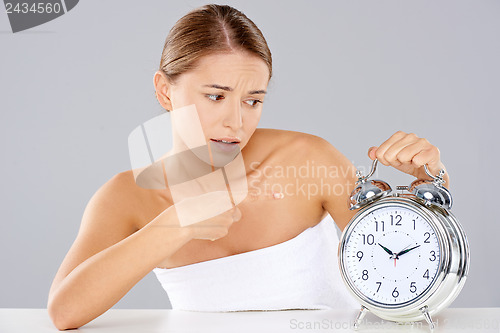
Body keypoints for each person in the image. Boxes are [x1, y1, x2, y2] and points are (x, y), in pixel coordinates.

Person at [47, 4, 450, 330]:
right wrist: (176, 225)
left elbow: (410, 279)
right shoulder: (127, 197)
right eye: (215, 96)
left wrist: (429, 193)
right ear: (164, 91)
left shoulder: (307, 159)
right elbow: (65, 312)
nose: (236, 122)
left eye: (253, 100)